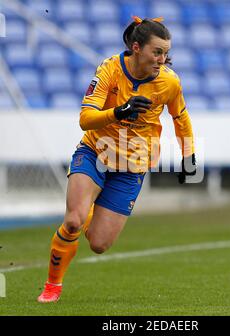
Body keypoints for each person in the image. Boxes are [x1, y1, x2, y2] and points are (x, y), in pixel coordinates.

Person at [37, 16, 196, 303]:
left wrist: (188, 156)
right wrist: (118, 112)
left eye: (165, 53)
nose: (162, 59)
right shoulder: (109, 69)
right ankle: (52, 286)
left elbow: (180, 117)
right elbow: (86, 119)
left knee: (98, 244)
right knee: (73, 222)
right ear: (137, 48)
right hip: (95, 152)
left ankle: (88, 209)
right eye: (156, 52)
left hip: (131, 166)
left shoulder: (169, 83)